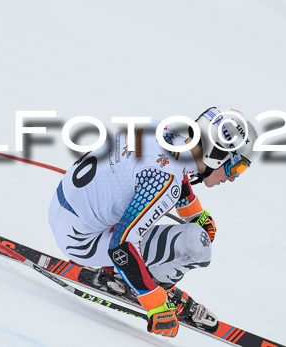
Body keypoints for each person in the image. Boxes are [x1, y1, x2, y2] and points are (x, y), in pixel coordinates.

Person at [48, 106, 259, 338]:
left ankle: (133, 276)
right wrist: (155, 302)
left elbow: (173, 166)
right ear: (216, 155)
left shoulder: (164, 130)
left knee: (155, 217)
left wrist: (194, 212)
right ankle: (142, 282)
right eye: (237, 166)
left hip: (63, 210)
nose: (232, 178)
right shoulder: (164, 181)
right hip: (82, 242)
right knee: (196, 244)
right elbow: (120, 246)